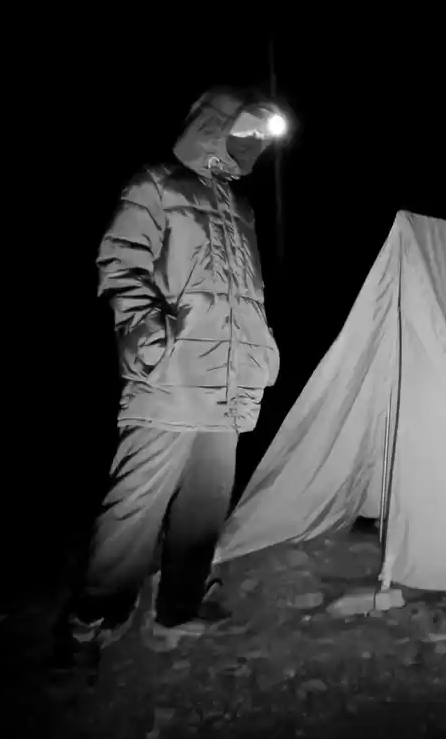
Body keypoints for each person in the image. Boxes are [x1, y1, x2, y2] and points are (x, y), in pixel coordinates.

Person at [58, 87, 283, 662]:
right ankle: (97, 612)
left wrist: (263, 345)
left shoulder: (239, 205)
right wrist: (147, 332)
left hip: (229, 381)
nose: (251, 144)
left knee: (206, 505)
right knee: (135, 502)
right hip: (170, 376)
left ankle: (181, 603)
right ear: (213, 126)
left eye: (258, 138)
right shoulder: (155, 185)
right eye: (244, 130)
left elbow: (246, 290)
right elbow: (120, 261)